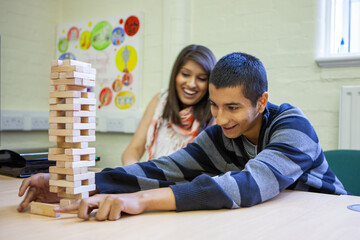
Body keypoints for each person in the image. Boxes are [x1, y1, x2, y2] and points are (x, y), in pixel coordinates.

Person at [18, 52, 349, 221]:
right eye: (215, 106)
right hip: (276, 219)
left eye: (232, 107)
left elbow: (248, 185)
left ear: (261, 101)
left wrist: (142, 201)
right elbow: (159, 170)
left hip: (327, 220)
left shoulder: (293, 126)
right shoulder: (221, 134)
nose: (220, 119)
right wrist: (78, 184)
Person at [121, 45, 217, 166]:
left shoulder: (215, 114)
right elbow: (133, 150)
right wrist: (134, 171)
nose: (191, 84)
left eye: (201, 78)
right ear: (175, 75)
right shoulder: (160, 101)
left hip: (185, 184)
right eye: (186, 74)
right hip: (151, 181)